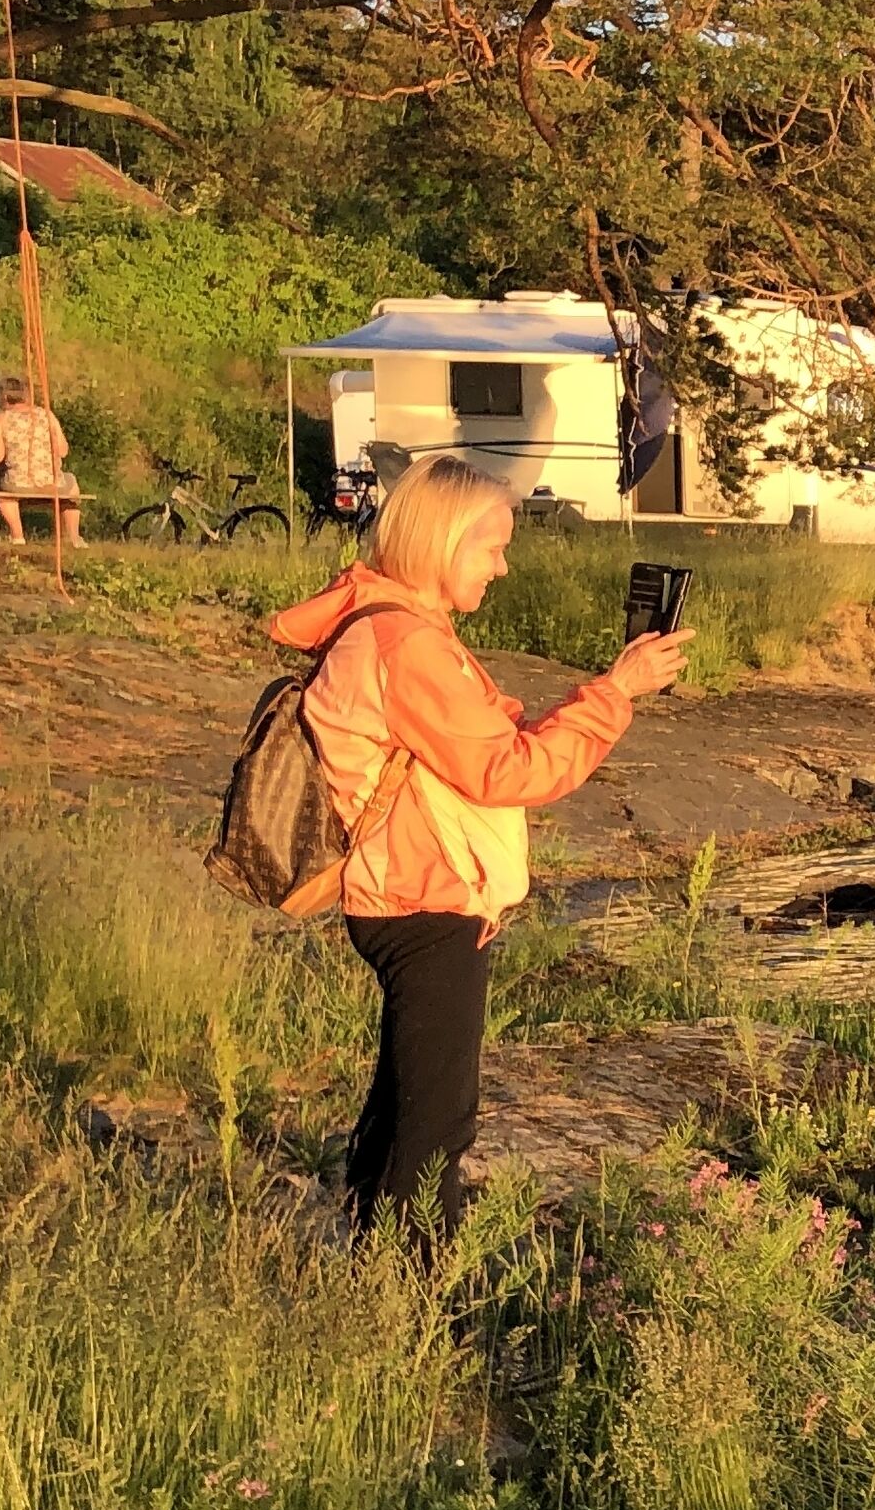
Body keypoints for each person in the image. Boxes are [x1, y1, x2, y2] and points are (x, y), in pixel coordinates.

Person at [264, 457, 690, 1243]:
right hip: (422, 904)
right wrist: (616, 693)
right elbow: (512, 769)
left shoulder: (399, 628)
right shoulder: (405, 645)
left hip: (411, 893)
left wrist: (599, 693)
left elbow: (487, 743)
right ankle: (416, 1294)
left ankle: (370, 1267)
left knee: (403, 1104)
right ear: (440, 540)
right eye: (489, 546)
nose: (503, 564)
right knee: (436, 1127)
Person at [0, 374, 77, 549]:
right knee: (71, 482)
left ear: (3, 396)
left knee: (2, 489)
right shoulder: (47, 415)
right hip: (53, 484)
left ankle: (18, 536)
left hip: (18, 484)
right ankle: (74, 537)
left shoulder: (2, 419)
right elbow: (63, 451)